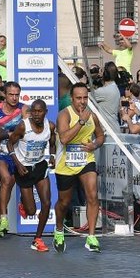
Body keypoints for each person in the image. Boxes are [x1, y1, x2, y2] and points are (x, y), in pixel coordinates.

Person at [53, 82, 105, 254]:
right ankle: (59, 230)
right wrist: (81, 122)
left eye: (85, 98)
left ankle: (91, 237)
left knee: (92, 195)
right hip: (66, 164)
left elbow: (100, 136)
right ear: (71, 98)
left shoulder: (92, 115)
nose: (82, 102)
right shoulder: (64, 115)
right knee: (64, 202)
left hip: (86, 160)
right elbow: (64, 139)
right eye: (78, 98)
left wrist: (94, 145)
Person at [8, 99, 56, 252]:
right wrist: (17, 164)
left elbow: (52, 142)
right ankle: (24, 204)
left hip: (40, 166)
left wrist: (53, 156)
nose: (36, 114)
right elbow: (10, 143)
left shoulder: (50, 126)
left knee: (46, 203)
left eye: (39, 111)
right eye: (34, 111)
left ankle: (38, 239)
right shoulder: (23, 126)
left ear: (45, 112)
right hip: (24, 168)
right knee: (31, 211)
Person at [0, 81, 24, 237]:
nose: (14, 98)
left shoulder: (24, 109)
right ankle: (3, 216)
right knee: (6, 179)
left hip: (16, 152)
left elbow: (25, 130)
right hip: (0, 151)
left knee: (9, 185)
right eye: (11, 94)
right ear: (5, 94)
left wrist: (4, 135)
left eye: (17, 95)